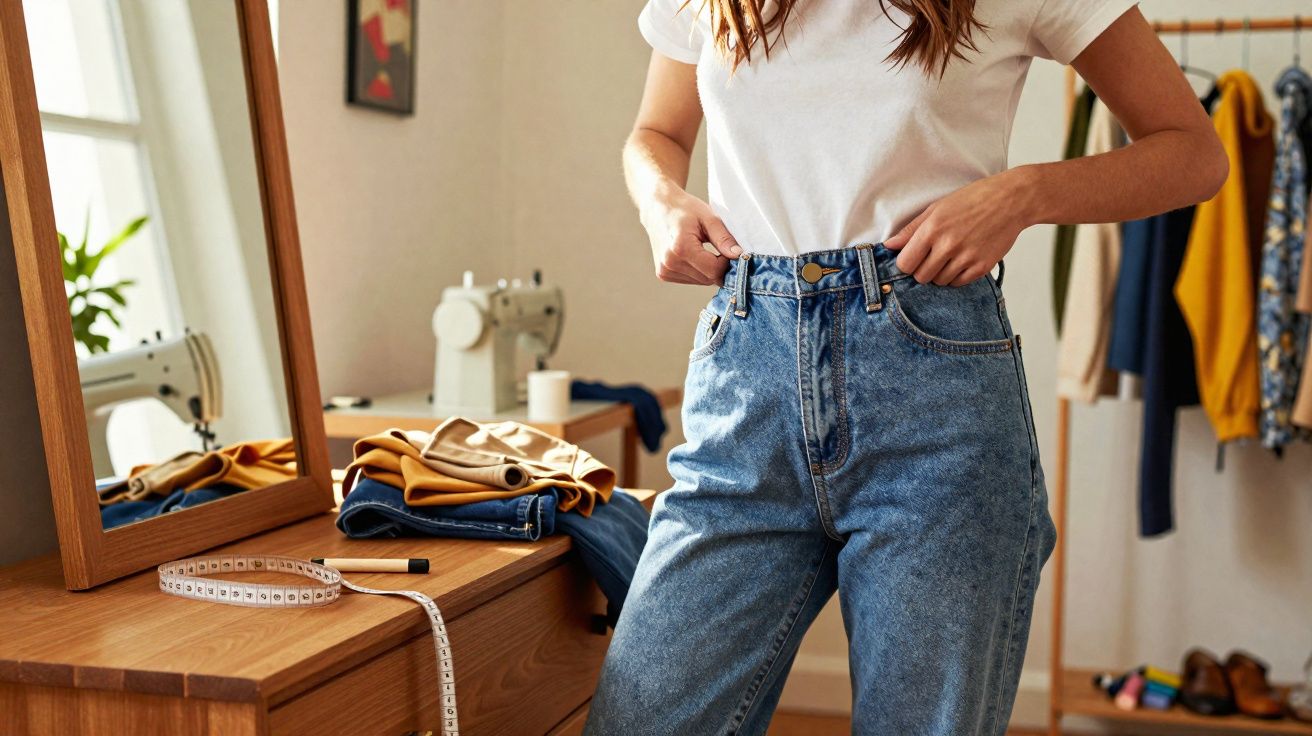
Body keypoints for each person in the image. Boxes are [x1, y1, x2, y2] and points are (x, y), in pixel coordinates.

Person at [586, 1, 1227, 734]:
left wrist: (1020, 195)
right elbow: (658, 133)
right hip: (743, 391)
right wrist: (659, 200)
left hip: (936, 401)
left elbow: (1192, 152)